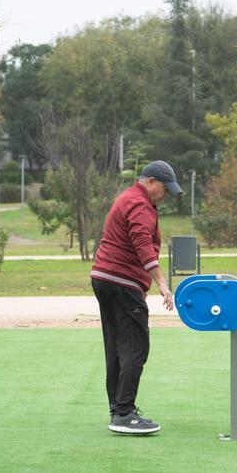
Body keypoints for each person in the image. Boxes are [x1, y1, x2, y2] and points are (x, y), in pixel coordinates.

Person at [91, 160, 182, 434]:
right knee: (135, 347)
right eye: (165, 190)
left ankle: (118, 408)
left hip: (104, 279)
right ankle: (124, 414)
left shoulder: (129, 198)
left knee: (117, 347)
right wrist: (163, 284)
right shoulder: (140, 204)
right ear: (151, 182)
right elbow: (142, 243)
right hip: (122, 283)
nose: (165, 196)